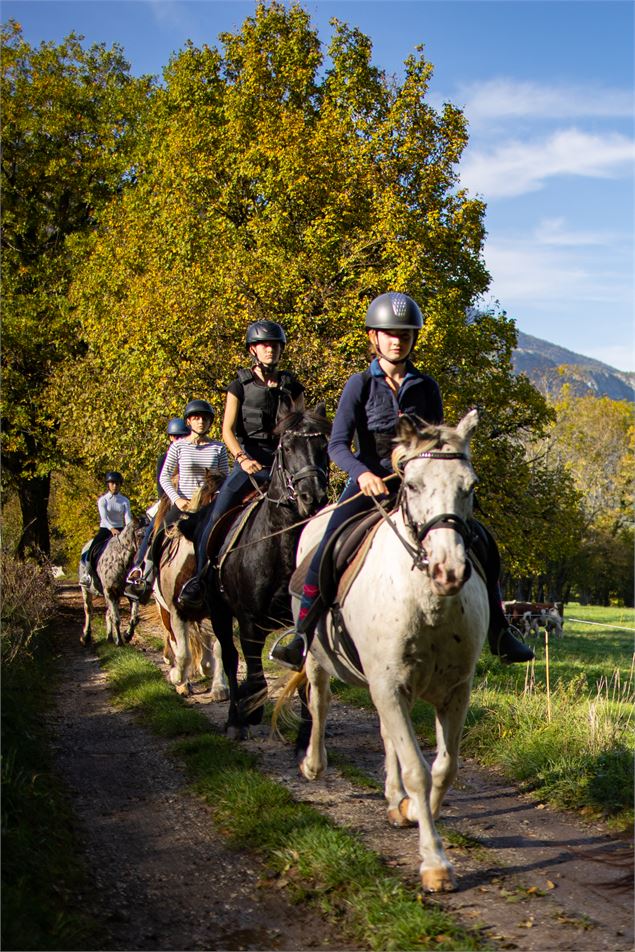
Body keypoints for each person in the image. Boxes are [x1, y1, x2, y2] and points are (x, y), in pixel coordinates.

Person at [271, 291, 535, 670]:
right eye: (389, 333)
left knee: (481, 540)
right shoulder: (358, 385)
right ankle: (302, 634)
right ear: (373, 337)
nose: (398, 340)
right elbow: (337, 445)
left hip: (420, 486)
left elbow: (439, 441)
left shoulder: (426, 387)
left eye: (405, 334)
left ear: (413, 339)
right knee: (329, 544)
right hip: (370, 482)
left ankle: (500, 630)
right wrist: (362, 474)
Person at [177, 320, 305, 608]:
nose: (270, 349)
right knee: (214, 517)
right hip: (248, 460)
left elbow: (299, 427)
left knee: (315, 509)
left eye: (274, 345)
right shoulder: (239, 385)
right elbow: (227, 430)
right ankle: (201, 578)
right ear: (253, 350)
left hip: (284, 462)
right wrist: (242, 459)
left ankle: (317, 583)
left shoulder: (293, 387)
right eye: (264, 345)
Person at [125, 401, 228, 600]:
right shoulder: (178, 447)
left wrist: (216, 497)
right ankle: (143, 576)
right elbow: (164, 477)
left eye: (205, 418)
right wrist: (177, 499)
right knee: (158, 532)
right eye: (196, 418)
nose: (201, 422)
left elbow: (224, 477)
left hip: (207, 506)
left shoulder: (218, 448)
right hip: (184, 503)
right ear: (189, 421)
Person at [124, 417, 190, 596]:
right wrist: (176, 495)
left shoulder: (191, 452)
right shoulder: (164, 458)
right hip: (170, 501)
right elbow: (162, 488)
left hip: (196, 499)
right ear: (170, 438)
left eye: (183, 435)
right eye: (176, 437)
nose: (180, 439)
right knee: (153, 530)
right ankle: (143, 573)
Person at [81, 471, 132, 582]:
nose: (115, 486)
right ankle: (87, 575)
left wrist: (130, 528)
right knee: (92, 549)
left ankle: (134, 575)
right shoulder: (103, 500)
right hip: (106, 529)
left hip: (121, 530)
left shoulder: (124, 501)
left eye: (117, 483)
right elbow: (104, 518)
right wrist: (111, 529)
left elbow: (128, 518)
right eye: (112, 483)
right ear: (108, 485)